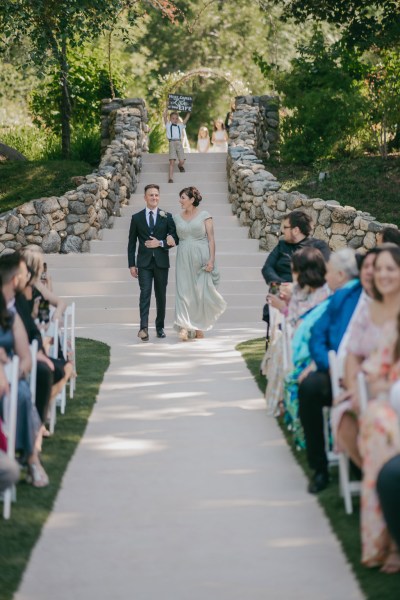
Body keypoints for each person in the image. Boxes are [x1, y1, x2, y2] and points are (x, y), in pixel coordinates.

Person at [297, 247, 370, 493]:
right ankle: (319, 468)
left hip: (368, 376)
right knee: (308, 388)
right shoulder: (340, 297)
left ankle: (363, 464)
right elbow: (317, 334)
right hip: (335, 372)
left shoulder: (369, 298)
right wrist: (329, 366)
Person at [167, 186, 227, 341]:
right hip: (183, 256)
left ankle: (200, 327)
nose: (180, 201)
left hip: (201, 256)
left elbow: (211, 239)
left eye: (183, 198)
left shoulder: (205, 215)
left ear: (192, 200)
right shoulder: (176, 217)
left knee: (200, 293)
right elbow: (173, 235)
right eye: (180, 197)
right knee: (183, 291)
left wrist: (211, 260)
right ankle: (184, 327)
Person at [128, 184, 179, 342]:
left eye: (156, 195)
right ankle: (143, 328)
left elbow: (175, 239)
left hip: (161, 263)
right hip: (143, 263)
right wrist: (131, 264)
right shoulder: (136, 218)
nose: (154, 197)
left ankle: (160, 327)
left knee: (161, 296)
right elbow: (131, 243)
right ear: (145, 197)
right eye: (151, 195)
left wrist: (161, 243)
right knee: (145, 294)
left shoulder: (167, 216)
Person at [262, 210, 330, 285]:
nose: (283, 231)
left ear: (295, 230)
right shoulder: (281, 245)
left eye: (285, 227)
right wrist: (279, 284)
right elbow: (267, 268)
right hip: (280, 290)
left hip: (306, 292)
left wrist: (295, 288)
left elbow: (322, 271)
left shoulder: (319, 247)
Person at [163, 108, 190, 183]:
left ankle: (180, 166)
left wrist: (188, 113)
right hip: (171, 143)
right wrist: (166, 107)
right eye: (173, 118)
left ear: (178, 119)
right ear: (170, 119)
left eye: (176, 118)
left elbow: (185, 120)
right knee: (172, 161)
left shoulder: (180, 126)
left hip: (179, 143)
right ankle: (170, 178)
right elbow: (164, 116)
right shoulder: (168, 125)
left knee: (182, 160)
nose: (175, 120)